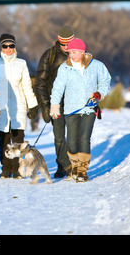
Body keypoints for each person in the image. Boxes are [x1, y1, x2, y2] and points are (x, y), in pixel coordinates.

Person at [50, 38, 111, 182]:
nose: (71, 55)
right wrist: (54, 105)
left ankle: (82, 171)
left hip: (89, 108)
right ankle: (75, 167)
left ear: (82, 52)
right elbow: (58, 88)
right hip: (71, 109)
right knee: (71, 141)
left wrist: (99, 93)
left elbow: (105, 81)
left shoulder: (96, 65)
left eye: (74, 52)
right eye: (70, 52)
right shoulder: (64, 68)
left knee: (84, 138)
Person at [0, 33, 39, 179]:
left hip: (18, 105)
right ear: (1, 47)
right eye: (5, 46)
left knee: (18, 140)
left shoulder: (21, 63)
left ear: (14, 47)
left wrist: (33, 105)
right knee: (4, 140)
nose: (8, 49)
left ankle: (18, 169)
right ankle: (5, 168)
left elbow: (27, 86)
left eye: (11, 46)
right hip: (1, 106)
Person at [34, 25, 75, 178]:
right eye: (63, 44)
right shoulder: (49, 55)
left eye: (68, 44)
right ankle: (64, 165)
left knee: (72, 137)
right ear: (59, 42)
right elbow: (40, 82)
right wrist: (45, 105)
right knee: (59, 136)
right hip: (56, 103)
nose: (66, 47)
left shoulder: (78, 54)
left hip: (74, 103)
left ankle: (68, 165)